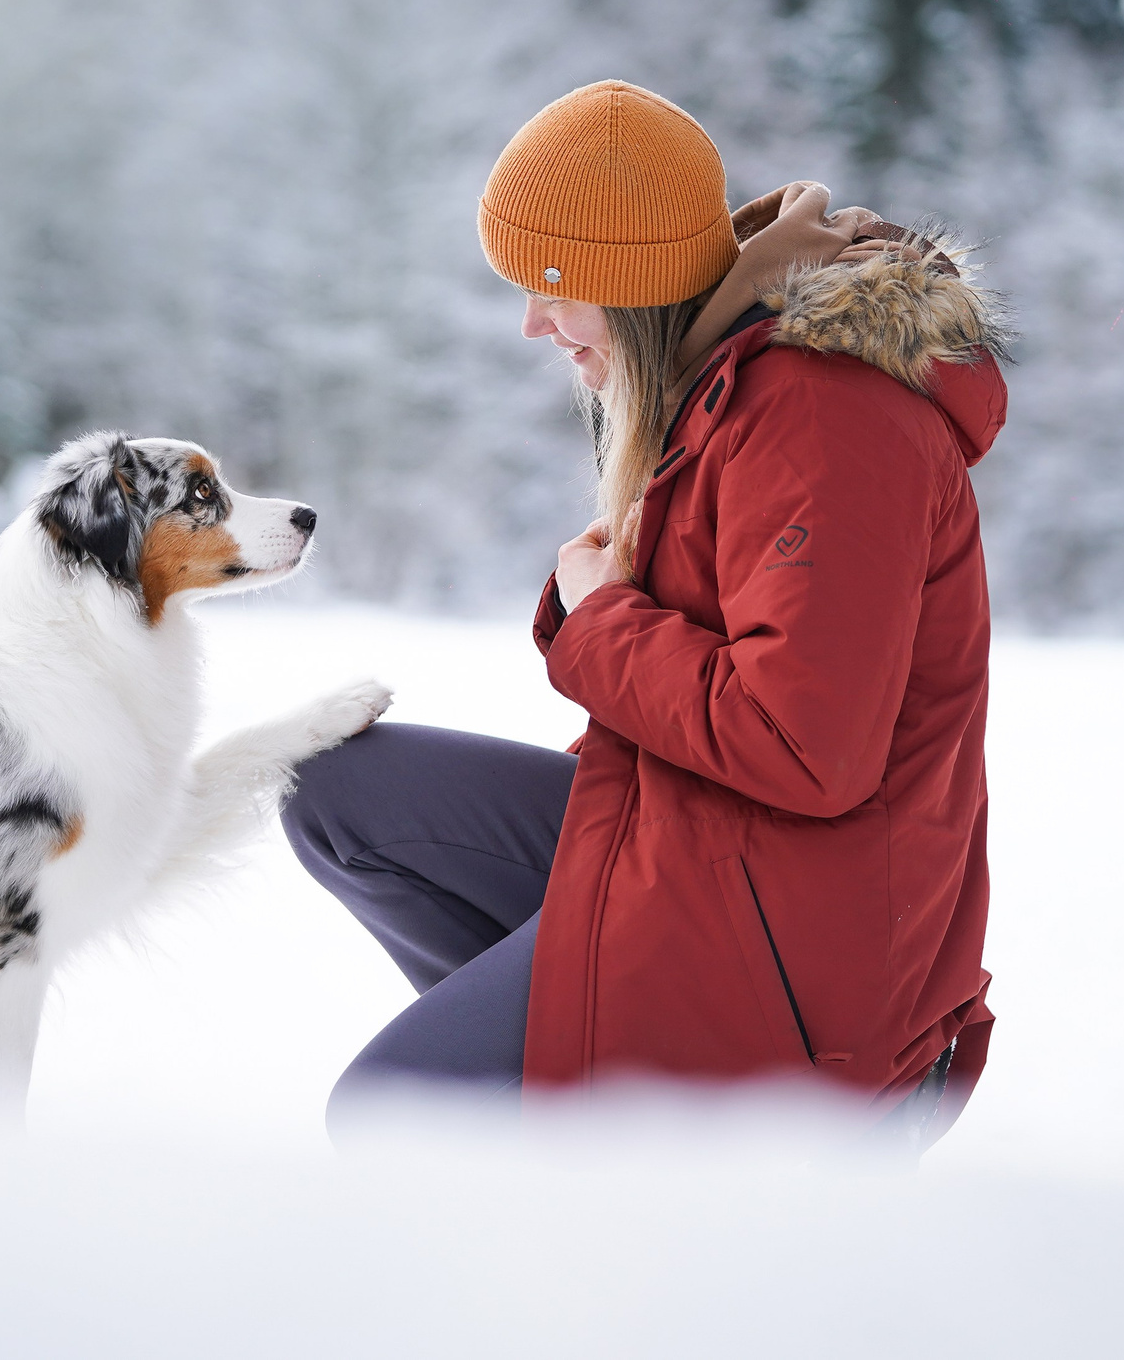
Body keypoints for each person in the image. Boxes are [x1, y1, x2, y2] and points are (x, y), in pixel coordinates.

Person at [284, 79, 1009, 1150]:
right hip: (714, 857)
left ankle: (591, 1152)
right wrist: (600, 609)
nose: (532, 324)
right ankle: (564, 1079)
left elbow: (806, 748)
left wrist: (604, 621)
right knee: (339, 792)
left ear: (624, 279)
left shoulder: (823, 415)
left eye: (548, 287)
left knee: (395, 1120)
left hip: (814, 990)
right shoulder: (731, 388)